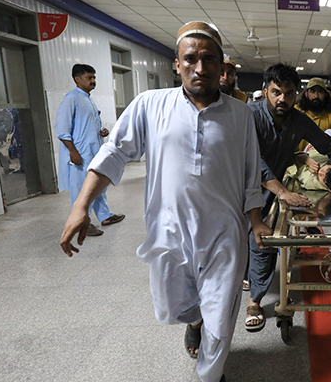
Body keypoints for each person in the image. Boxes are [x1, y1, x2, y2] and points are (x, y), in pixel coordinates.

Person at [59, 21, 272, 382]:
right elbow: (113, 153)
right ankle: (194, 320)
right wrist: (81, 207)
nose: (200, 68)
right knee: (179, 306)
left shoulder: (240, 116)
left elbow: (252, 174)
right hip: (168, 231)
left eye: (209, 60)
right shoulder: (149, 105)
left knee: (221, 315)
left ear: (223, 67)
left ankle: (211, 373)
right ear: (177, 64)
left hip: (224, 234)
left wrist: (256, 221)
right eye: (191, 59)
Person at [245, 63, 331, 332]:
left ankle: (254, 294)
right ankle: (255, 299)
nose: (283, 99)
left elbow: (328, 146)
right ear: (266, 91)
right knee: (252, 240)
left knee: (263, 241)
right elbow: (251, 160)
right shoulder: (250, 116)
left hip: (276, 186)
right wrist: (283, 192)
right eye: (276, 92)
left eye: (289, 94)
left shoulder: (299, 120)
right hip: (246, 187)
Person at [55, 63, 125, 237]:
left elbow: (87, 125)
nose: (93, 81)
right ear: (77, 79)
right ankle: (80, 224)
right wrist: (73, 152)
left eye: (94, 77)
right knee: (81, 190)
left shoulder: (87, 98)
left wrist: (101, 131)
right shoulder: (71, 99)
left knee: (98, 185)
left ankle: (105, 216)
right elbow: (62, 130)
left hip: (94, 151)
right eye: (89, 78)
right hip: (80, 154)